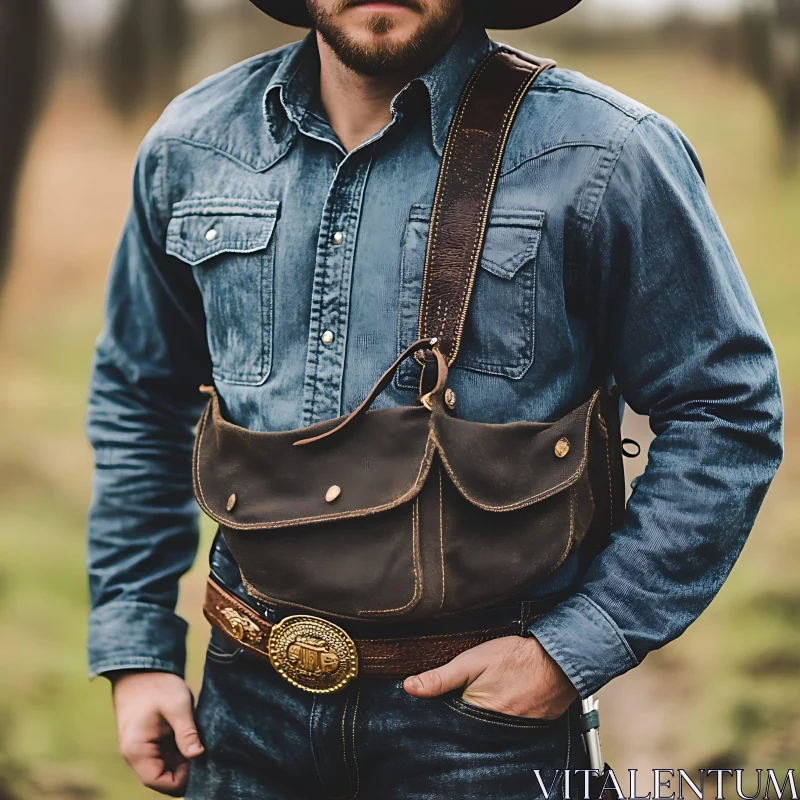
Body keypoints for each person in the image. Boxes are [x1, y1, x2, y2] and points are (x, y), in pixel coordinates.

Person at [85, 0, 783, 797]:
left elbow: (726, 409)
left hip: (485, 727)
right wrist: (136, 648)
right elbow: (139, 396)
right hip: (241, 706)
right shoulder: (194, 146)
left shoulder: (610, 155)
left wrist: (578, 646)